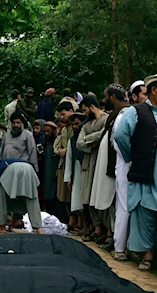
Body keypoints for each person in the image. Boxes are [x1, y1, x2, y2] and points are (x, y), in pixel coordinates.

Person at [114, 73, 157, 272]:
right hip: (149, 174)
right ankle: (146, 255)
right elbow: (120, 135)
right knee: (146, 214)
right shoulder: (136, 111)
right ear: (154, 90)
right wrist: (132, 157)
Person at [92, 84, 128, 253]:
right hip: (111, 166)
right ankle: (112, 236)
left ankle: (117, 240)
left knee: (117, 203)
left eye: (106, 97)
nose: (104, 100)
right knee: (111, 204)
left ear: (113, 97)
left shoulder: (125, 114)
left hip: (119, 166)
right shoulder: (114, 116)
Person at [77, 95, 109, 242]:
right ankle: (96, 229)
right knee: (87, 197)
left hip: (101, 163)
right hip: (88, 163)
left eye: (84, 110)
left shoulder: (107, 119)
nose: (84, 114)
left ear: (91, 107)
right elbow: (79, 144)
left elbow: (105, 133)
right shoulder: (85, 125)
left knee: (100, 196)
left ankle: (106, 230)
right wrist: (93, 142)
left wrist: (88, 139)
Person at [106, 85, 132, 260]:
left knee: (123, 206)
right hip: (126, 164)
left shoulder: (123, 114)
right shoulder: (127, 113)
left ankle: (120, 247)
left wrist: (130, 158)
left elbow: (118, 140)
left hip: (125, 164)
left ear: (114, 97)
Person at [0, 161, 44, 234]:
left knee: (1, 199)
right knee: (31, 198)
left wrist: (2, 222)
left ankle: (2, 228)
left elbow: (0, 202)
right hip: (29, 169)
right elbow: (19, 198)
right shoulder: (6, 162)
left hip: (13, 170)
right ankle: (40, 229)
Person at [0, 112, 39, 184]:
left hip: (20, 167)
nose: (16, 125)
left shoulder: (28, 135)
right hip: (5, 166)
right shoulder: (7, 135)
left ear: (22, 123)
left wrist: (34, 170)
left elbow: (32, 152)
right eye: (13, 123)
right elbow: (1, 152)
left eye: (18, 123)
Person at [54, 102, 75, 226]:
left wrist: (67, 150)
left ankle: (77, 221)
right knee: (64, 194)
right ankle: (70, 219)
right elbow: (57, 146)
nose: (62, 117)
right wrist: (61, 151)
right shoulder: (64, 129)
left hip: (73, 163)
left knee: (73, 194)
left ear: (71, 111)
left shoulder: (76, 126)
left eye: (63, 114)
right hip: (63, 163)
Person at [63, 114, 85, 227]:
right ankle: (81, 224)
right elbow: (69, 159)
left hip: (85, 171)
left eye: (77, 124)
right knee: (77, 199)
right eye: (73, 125)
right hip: (76, 173)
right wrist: (68, 178)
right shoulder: (72, 140)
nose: (75, 127)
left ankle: (85, 226)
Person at [42, 121, 61, 216]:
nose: (46, 134)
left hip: (56, 173)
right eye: (45, 131)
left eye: (48, 131)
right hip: (46, 174)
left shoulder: (58, 141)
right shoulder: (45, 143)